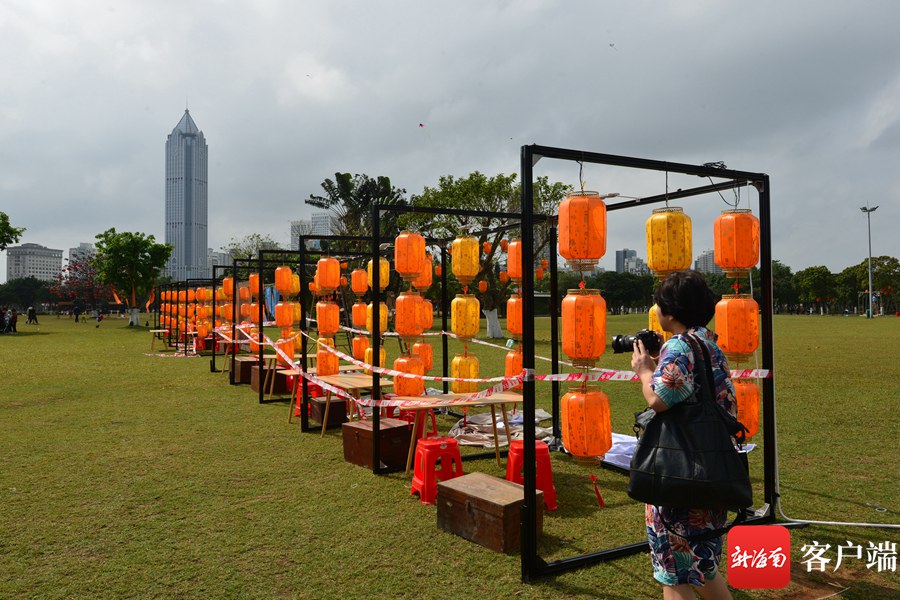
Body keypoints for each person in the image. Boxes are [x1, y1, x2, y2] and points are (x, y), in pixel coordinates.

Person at [631, 270, 737, 600]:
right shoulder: (708, 344)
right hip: (712, 470)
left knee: (674, 574)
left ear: (671, 311)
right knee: (703, 565)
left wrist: (645, 371)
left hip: (679, 475)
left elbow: (659, 399)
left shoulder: (680, 347)